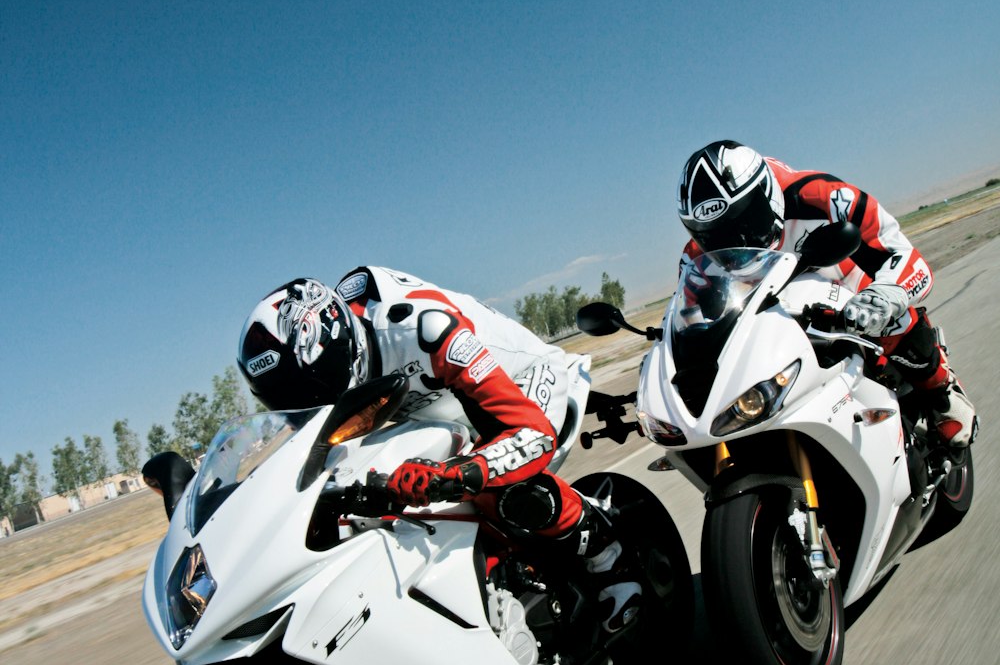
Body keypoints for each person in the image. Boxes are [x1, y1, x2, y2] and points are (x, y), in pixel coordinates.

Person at [237, 269, 640, 632]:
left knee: (497, 488)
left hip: (520, 385)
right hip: (443, 411)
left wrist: (456, 475)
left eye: (311, 385)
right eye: (287, 399)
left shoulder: (421, 327)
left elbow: (530, 434)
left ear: (337, 343)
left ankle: (608, 554)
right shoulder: (330, 369)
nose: (312, 401)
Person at [676, 141, 977, 449]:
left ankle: (943, 391)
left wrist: (883, 296)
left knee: (888, 317)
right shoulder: (695, 259)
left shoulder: (822, 197)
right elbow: (688, 324)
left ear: (766, 193)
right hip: (774, 312)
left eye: (747, 221)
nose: (736, 240)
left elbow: (906, 256)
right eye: (715, 235)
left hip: (842, 277)